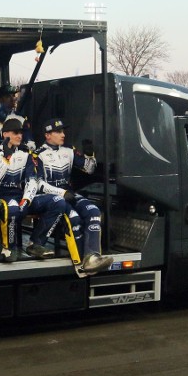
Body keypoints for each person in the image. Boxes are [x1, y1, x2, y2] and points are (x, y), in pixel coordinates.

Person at [34, 118, 113, 276]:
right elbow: (38, 184)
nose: (63, 134)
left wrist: (90, 155)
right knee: (74, 218)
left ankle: (92, 257)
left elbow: (89, 169)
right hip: (53, 199)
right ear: (47, 135)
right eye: (58, 131)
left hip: (70, 194)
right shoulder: (38, 155)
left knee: (93, 211)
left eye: (63, 131)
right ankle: (81, 264)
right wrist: (61, 193)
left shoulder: (69, 149)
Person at [0, 118, 69, 262]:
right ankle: (9, 248)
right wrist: (6, 158)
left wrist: (26, 199)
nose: (20, 136)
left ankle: (36, 244)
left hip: (22, 197)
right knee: (12, 207)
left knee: (58, 201)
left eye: (21, 133)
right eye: (16, 133)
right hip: (1, 198)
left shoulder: (26, 153)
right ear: (5, 135)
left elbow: (32, 180)